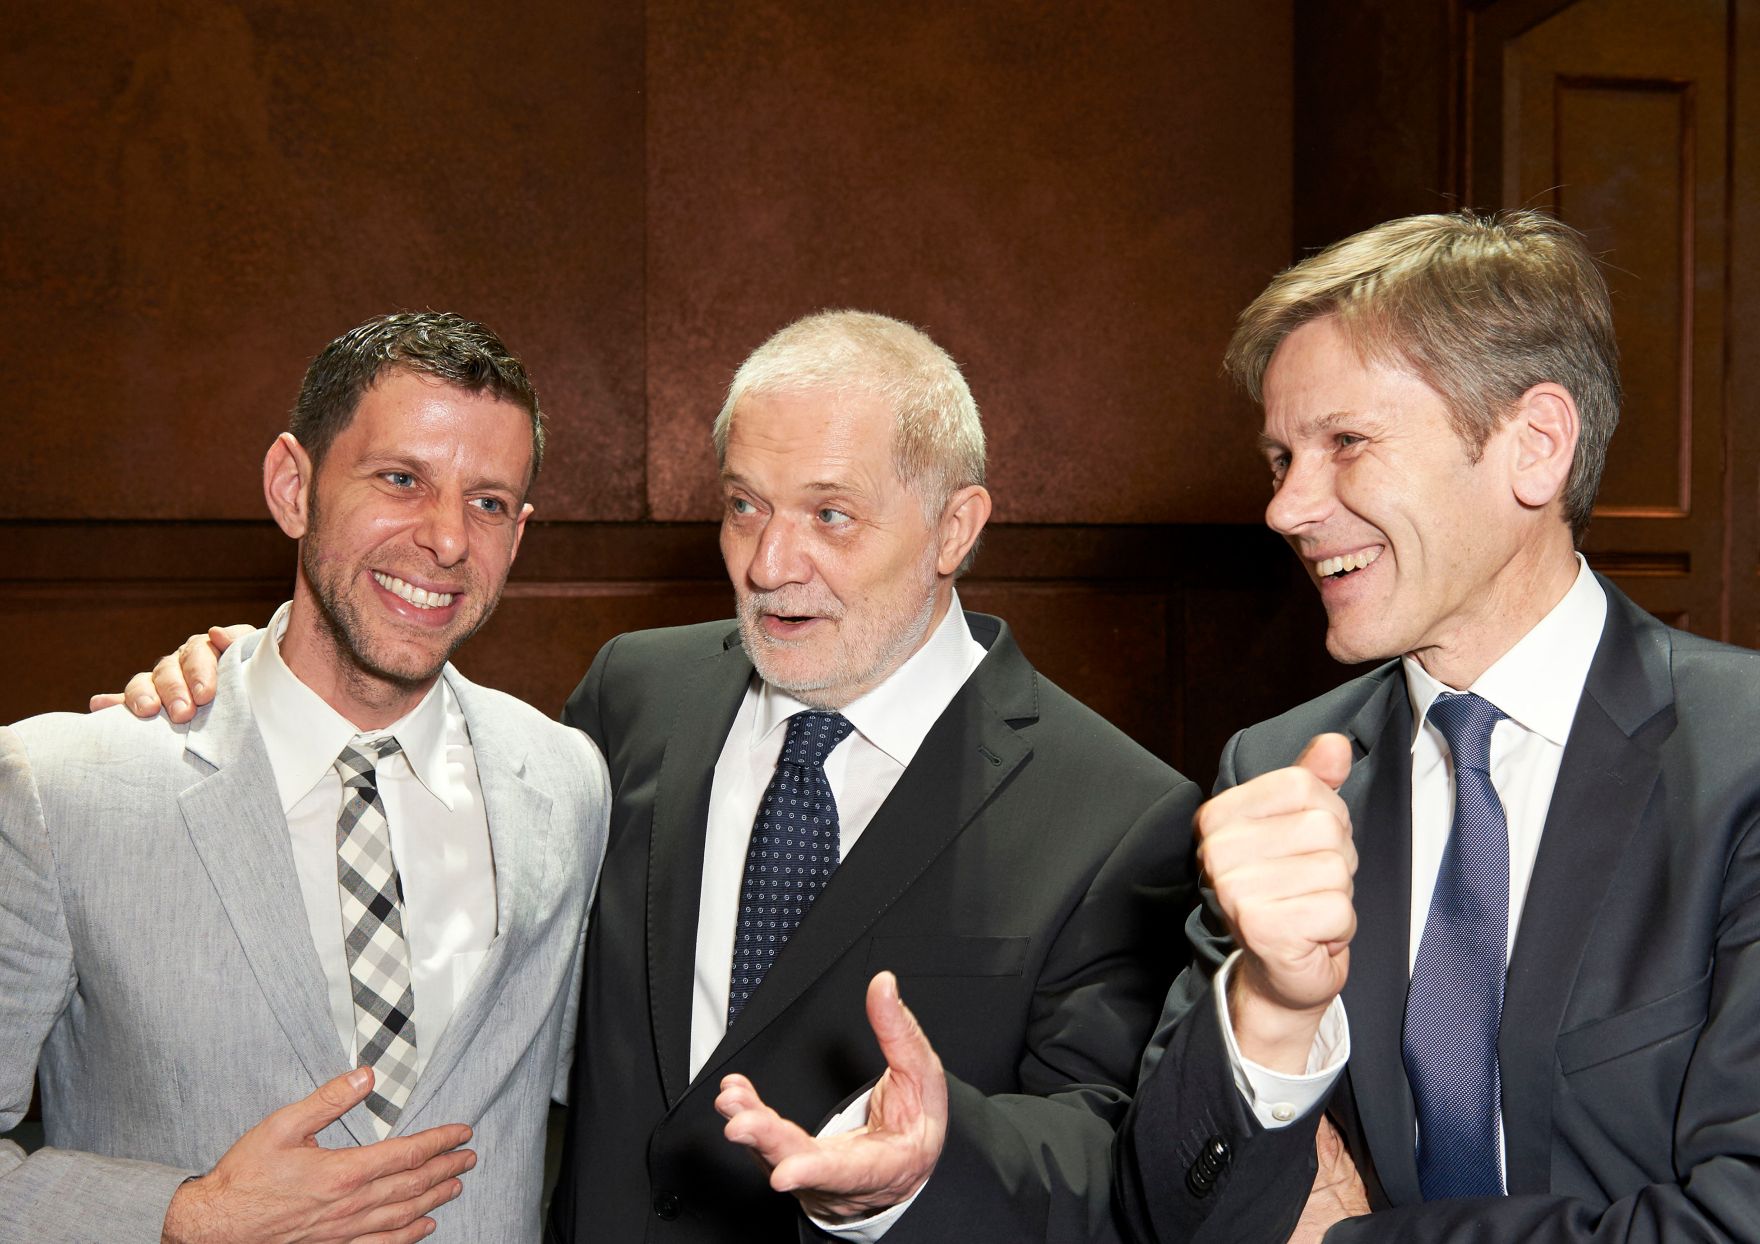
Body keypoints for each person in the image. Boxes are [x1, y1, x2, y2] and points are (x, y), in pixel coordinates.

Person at [121, 310, 1200, 1243]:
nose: (769, 563)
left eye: (829, 514)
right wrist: (251, 683)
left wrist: (928, 1163)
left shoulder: (1117, 811)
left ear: (954, 526)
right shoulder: (637, 692)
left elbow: (1116, 1164)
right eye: (744, 505)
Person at [1113, 210, 1760, 1243]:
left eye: (1346, 442)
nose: (1284, 506)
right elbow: (1162, 1210)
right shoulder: (1279, 771)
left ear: (1534, 445)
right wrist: (1272, 1010)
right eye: (1280, 455)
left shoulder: (1741, 759)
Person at [5, 312, 611, 1243]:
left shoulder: (567, 784)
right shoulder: (61, 789)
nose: (448, 540)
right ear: (294, 487)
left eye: (488, 502)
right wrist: (181, 1216)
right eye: (401, 480)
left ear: (519, 532)